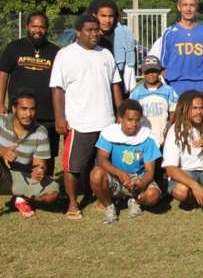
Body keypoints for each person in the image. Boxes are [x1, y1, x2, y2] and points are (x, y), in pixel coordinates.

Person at [50, 14, 123, 220]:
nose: (95, 33)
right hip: (79, 123)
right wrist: (59, 118)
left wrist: (120, 112)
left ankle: (102, 198)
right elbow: (57, 89)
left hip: (106, 122)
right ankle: (73, 204)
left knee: (102, 165)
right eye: (90, 30)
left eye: (96, 29)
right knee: (74, 166)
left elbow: (115, 84)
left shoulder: (105, 54)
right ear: (78, 32)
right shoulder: (65, 55)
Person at [0, 11, 61, 176]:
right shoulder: (14, 47)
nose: (38, 30)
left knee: (47, 152)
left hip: (47, 113)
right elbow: (3, 74)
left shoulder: (55, 51)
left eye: (42, 27)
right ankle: (16, 184)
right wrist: (0, 103)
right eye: (34, 26)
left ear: (47, 29)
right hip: (20, 112)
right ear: (27, 26)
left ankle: (45, 182)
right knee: (18, 149)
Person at [90, 100, 162, 224]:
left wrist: (141, 182)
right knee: (96, 174)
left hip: (138, 179)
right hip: (115, 177)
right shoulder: (109, 134)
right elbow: (101, 160)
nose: (134, 124)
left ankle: (136, 201)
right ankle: (109, 206)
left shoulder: (147, 138)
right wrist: (118, 172)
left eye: (137, 120)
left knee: (153, 195)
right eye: (130, 119)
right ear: (120, 118)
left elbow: (150, 170)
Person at [0, 89, 59, 217]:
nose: (28, 114)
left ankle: (22, 199)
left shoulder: (40, 132)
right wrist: (3, 151)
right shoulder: (2, 121)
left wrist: (39, 170)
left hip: (22, 175)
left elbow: (40, 163)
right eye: (24, 109)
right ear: (14, 109)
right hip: (2, 172)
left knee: (52, 193)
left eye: (32, 109)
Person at [159, 0, 203, 109]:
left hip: (202, 85)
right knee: (179, 124)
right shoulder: (169, 33)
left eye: (192, 5)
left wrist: (200, 76)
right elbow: (163, 66)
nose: (188, 9)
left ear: (196, 7)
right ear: (179, 7)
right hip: (177, 85)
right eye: (185, 5)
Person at [87, 0, 137, 94]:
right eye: (103, 16)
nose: (107, 20)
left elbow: (130, 67)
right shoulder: (87, 38)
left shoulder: (124, 37)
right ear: (94, 15)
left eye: (111, 16)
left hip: (119, 89)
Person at [130, 55, 178, 145]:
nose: (151, 74)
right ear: (143, 73)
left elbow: (173, 112)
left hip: (163, 138)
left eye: (154, 71)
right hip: (143, 137)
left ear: (160, 72)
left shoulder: (169, 90)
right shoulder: (136, 92)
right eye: (147, 72)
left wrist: (169, 129)